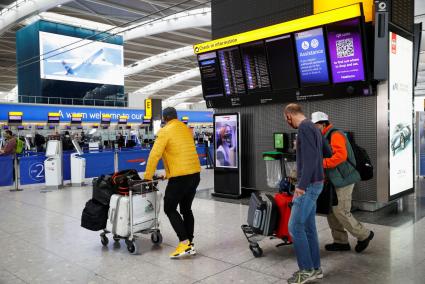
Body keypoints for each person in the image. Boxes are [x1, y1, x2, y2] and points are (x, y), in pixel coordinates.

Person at [311, 111, 374, 253]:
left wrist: (322, 163)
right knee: (331, 211)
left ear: (323, 124)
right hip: (334, 179)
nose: (314, 128)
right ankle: (340, 242)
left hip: (345, 179)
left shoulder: (335, 135)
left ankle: (364, 235)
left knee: (341, 210)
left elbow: (340, 156)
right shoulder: (323, 136)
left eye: (316, 126)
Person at [143, 107, 201, 259]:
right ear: (176, 117)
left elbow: (154, 155)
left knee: (169, 208)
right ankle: (190, 243)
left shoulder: (165, 131)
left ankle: (184, 242)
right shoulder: (185, 129)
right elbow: (181, 155)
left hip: (181, 178)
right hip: (195, 174)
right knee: (186, 209)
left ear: (165, 119)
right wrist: (168, 174)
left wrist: (148, 177)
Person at [284, 104, 324, 284]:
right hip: (316, 183)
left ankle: (306, 270)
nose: (287, 122)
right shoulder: (314, 128)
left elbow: (310, 158)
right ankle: (315, 269)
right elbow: (326, 151)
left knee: (294, 227)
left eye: (286, 119)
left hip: (307, 187)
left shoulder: (304, 128)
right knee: (308, 228)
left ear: (289, 116)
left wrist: (301, 185)